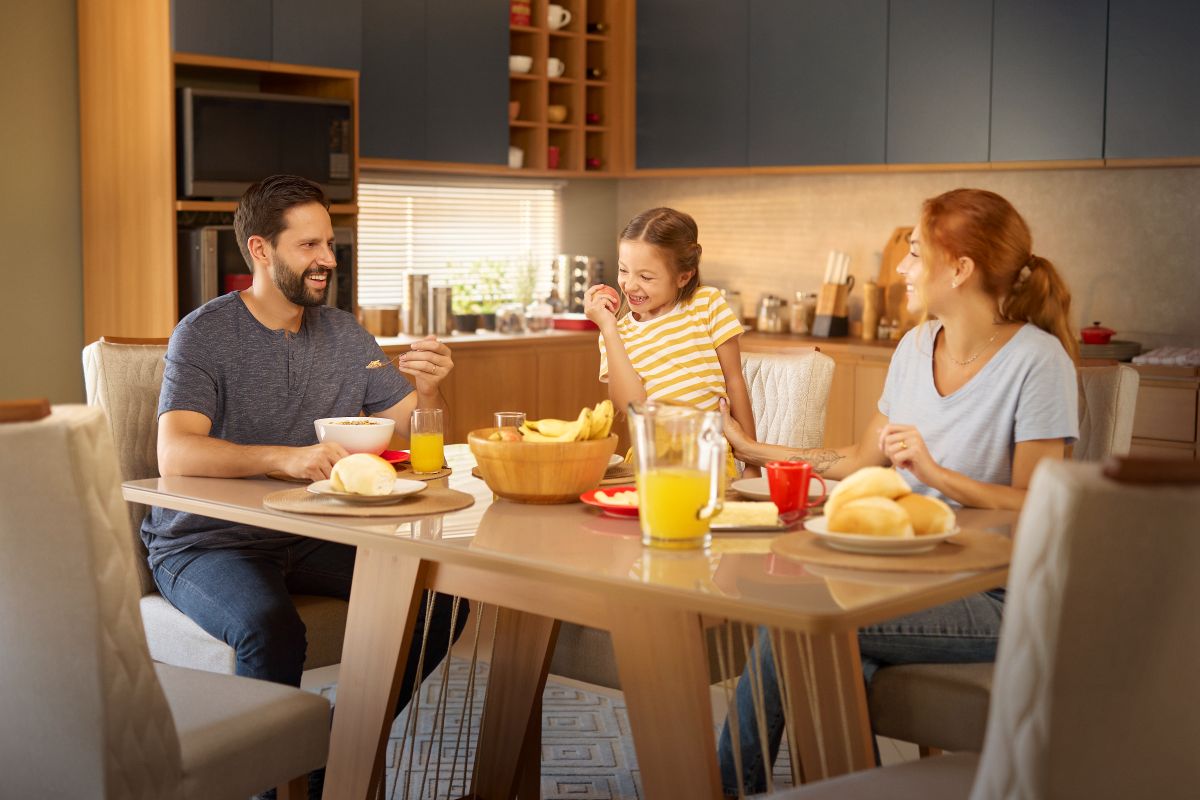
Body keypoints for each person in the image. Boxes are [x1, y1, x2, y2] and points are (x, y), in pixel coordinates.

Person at [717, 188, 1079, 795]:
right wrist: (755, 452)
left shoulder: (1038, 363)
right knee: (831, 650)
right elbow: (861, 460)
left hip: (1001, 596)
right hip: (903, 576)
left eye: (915, 253)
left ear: (959, 269)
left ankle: (724, 789)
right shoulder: (914, 348)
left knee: (801, 622)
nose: (902, 269)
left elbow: (1044, 501)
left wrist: (936, 476)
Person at [144, 175, 463, 797]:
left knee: (441, 599)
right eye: (309, 245)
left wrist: (428, 389)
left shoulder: (345, 334)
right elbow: (174, 452)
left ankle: (328, 761)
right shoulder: (205, 333)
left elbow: (413, 430)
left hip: (310, 530)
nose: (327, 259)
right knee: (273, 627)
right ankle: (269, 786)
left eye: (330, 245)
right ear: (260, 250)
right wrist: (286, 459)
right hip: (206, 542)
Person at [583, 207, 757, 473]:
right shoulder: (617, 333)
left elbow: (735, 383)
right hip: (649, 461)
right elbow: (631, 406)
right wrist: (608, 328)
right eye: (623, 270)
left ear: (683, 276)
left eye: (645, 277)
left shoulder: (707, 304)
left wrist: (753, 463)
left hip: (710, 460)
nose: (629, 285)